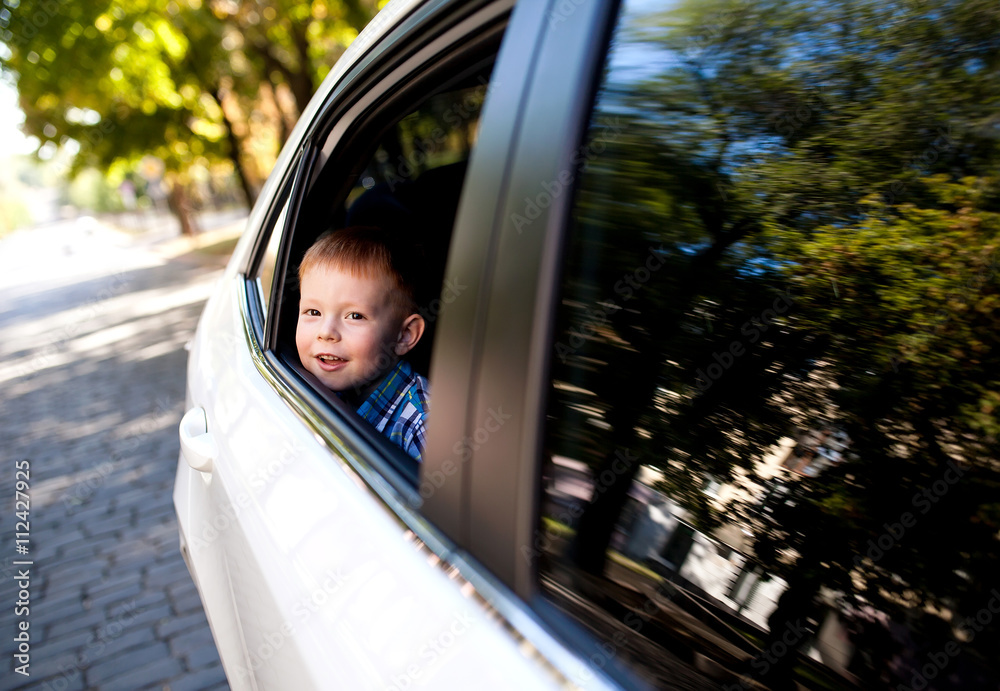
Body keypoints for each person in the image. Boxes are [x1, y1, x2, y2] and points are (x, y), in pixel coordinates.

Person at [296, 227, 429, 460]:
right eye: (313, 311)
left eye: (355, 316)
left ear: (404, 335)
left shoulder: (422, 428)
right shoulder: (314, 385)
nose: (326, 333)